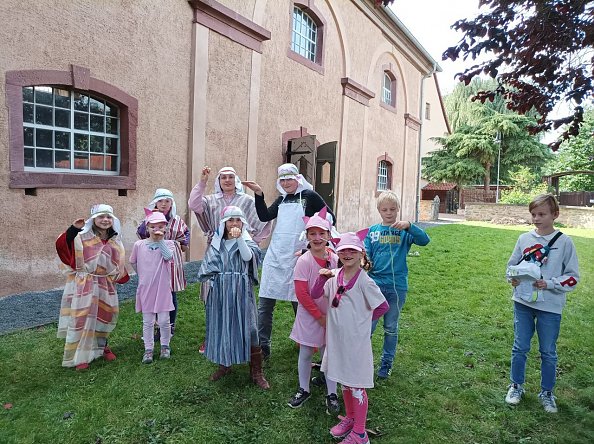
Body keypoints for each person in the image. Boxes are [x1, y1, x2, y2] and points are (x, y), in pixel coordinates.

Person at [243, 163, 335, 360]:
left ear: (298, 179)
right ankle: (263, 346)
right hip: (276, 257)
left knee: (301, 302)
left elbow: (329, 217)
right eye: (282, 180)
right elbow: (264, 216)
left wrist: (310, 246)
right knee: (265, 304)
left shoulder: (310, 196)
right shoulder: (282, 200)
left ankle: (307, 341)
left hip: (299, 258)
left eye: (289, 179)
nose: (286, 183)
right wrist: (259, 194)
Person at [311, 230, 389, 444]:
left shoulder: (365, 282)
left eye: (352, 250)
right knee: (344, 380)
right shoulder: (335, 275)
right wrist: (321, 277)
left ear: (361, 253)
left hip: (355, 342)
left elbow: (383, 306)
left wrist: (362, 322)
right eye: (343, 250)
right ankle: (351, 418)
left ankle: (361, 434)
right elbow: (317, 294)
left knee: (356, 385)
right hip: (337, 340)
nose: (347, 254)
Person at [504, 194, 579, 413]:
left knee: (548, 351)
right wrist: (513, 279)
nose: (536, 219)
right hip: (523, 303)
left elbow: (573, 277)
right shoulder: (524, 239)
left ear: (555, 215)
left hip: (550, 307)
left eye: (542, 214)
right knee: (520, 347)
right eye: (533, 214)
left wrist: (550, 283)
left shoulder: (565, 242)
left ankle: (547, 392)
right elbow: (511, 267)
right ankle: (516, 386)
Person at [189, 166, 271, 353]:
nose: (227, 180)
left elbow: (263, 219)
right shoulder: (210, 200)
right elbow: (194, 205)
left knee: (241, 297)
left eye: (231, 177)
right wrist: (202, 182)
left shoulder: (246, 201)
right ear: (219, 181)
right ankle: (212, 334)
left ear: (236, 180)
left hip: (240, 251)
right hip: (218, 248)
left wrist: (251, 241)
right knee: (213, 294)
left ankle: (245, 339)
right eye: (223, 177)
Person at [196, 206, 269, 389]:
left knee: (250, 328)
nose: (234, 223)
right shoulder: (217, 242)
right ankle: (225, 364)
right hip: (220, 289)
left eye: (237, 220)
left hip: (241, 289)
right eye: (230, 220)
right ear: (224, 223)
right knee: (223, 324)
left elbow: (247, 257)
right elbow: (209, 266)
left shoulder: (247, 241)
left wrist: (240, 239)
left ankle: (256, 371)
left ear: (242, 223)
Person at [364, 190, 430, 379]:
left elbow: (425, 241)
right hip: (375, 286)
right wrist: (365, 261)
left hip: (397, 286)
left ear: (398, 209)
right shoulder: (373, 231)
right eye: (385, 209)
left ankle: (387, 362)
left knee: (391, 327)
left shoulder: (404, 231)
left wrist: (410, 226)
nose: (389, 213)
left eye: (393, 209)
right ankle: (362, 360)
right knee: (368, 326)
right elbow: (365, 253)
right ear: (379, 210)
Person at [56, 204, 129, 371]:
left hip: (105, 283)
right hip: (85, 283)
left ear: (113, 220)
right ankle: (80, 355)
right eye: (101, 216)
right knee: (83, 317)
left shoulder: (115, 239)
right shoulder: (82, 237)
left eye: (108, 217)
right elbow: (63, 245)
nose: (105, 220)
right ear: (93, 219)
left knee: (103, 316)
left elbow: (118, 261)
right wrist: (73, 229)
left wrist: (118, 276)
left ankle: (102, 347)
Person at [287, 207, 340, 415]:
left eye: (321, 234)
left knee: (330, 353)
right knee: (306, 351)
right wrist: (319, 317)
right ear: (307, 236)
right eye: (312, 234)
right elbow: (302, 294)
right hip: (310, 315)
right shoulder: (304, 261)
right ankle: (304, 388)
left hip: (331, 315)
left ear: (328, 235)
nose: (317, 238)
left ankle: (332, 392)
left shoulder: (335, 259)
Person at [137, 188, 189, 336]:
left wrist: (184, 244)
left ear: (172, 203)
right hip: (152, 258)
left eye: (167, 201)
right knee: (153, 290)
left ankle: (168, 326)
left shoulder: (177, 219)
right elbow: (141, 233)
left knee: (169, 292)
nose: (164, 204)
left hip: (171, 258)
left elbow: (185, 234)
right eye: (160, 201)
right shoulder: (150, 218)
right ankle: (153, 323)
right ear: (155, 202)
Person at [130, 210, 176, 364]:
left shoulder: (169, 244)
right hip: (146, 288)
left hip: (162, 288)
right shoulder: (139, 245)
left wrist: (160, 241)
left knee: (164, 320)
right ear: (147, 227)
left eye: (160, 226)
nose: (156, 229)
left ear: (165, 228)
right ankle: (148, 349)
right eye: (153, 226)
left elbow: (168, 257)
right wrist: (142, 276)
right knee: (148, 321)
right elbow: (133, 262)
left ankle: (165, 346)